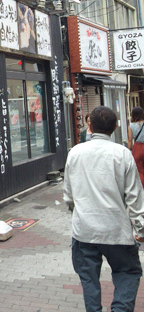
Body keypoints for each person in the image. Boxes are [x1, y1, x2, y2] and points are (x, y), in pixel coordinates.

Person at [64, 106, 144, 312]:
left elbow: (68, 196)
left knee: (89, 279)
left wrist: (79, 212)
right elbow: (135, 197)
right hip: (117, 229)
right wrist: (140, 229)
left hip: (84, 231)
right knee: (128, 272)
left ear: (90, 125)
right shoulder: (123, 154)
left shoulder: (75, 153)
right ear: (116, 126)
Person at [127, 106, 144, 187]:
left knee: (139, 169)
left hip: (137, 148)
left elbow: (130, 140)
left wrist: (128, 150)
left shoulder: (131, 125)